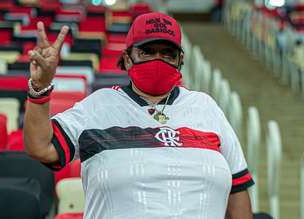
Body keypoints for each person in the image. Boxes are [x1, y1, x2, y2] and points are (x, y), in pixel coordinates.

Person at [24, 12, 254, 219]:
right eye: (146, 52)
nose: (157, 60)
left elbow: (237, 189)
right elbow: (41, 147)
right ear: (126, 58)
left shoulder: (206, 107)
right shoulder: (99, 105)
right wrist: (40, 87)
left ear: (180, 60)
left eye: (167, 53)